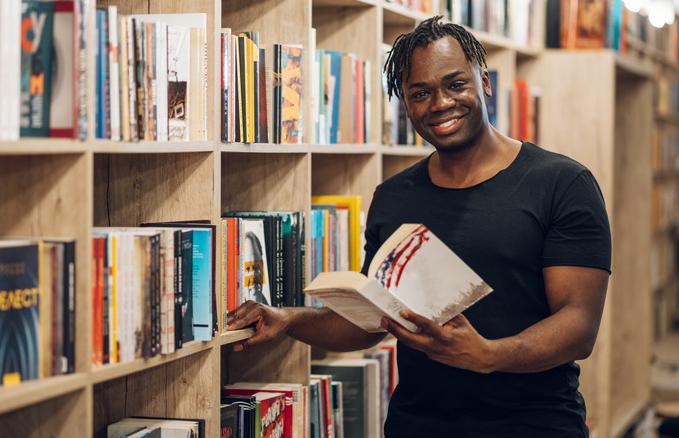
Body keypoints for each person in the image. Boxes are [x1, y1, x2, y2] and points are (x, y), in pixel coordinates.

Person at [226, 16, 611, 437]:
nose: (440, 103)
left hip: (534, 424)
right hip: (418, 423)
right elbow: (374, 320)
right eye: (420, 93)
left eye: (455, 84)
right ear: (406, 104)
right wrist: (289, 319)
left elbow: (579, 326)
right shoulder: (394, 197)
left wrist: (487, 355)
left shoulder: (562, 184)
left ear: (484, 82)